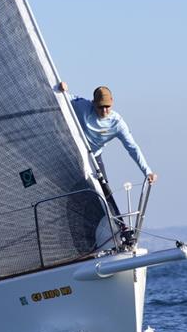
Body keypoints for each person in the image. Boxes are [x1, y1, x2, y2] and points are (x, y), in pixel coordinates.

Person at [58, 82, 156, 242]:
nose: (104, 110)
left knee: (105, 192)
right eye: (100, 107)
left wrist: (147, 171)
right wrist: (62, 88)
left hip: (94, 158)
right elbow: (63, 96)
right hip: (72, 154)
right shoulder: (83, 106)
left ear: (112, 103)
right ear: (93, 104)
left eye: (107, 106)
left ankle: (121, 230)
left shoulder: (117, 123)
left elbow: (132, 148)